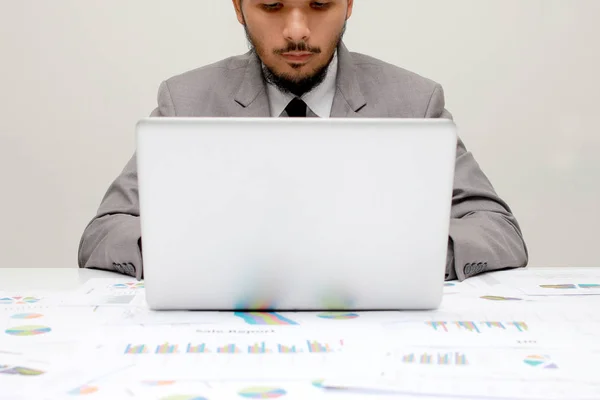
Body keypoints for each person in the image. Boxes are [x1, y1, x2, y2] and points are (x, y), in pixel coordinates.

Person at [78, 0, 528, 282]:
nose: (297, 30)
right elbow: (103, 234)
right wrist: (198, 254)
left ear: (349, 4)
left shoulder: (414, 100)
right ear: (238, 7)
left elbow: (498, 230)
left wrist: (404, 257)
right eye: (273, 6)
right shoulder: (185, 100)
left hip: (376, 335)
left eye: (318, 4)